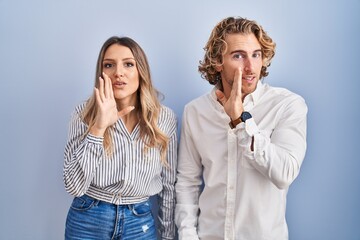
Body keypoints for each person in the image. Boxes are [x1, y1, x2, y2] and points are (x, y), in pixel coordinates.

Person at [175, 16, 307, 240]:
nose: (250, 66)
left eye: (256, 55)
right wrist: (188, 235)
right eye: (239, 56)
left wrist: (240, 120)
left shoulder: (287, 105)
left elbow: (284, 174)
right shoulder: (195, 112)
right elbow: (187, 182)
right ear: (218, 61)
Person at [63, 36, 177, 240]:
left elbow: (168, 186)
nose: (118, 73)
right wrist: (99, 127)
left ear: (141, 71)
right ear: (101, 73)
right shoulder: (83, 114)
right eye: (109, 65)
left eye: (128, 64)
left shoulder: (165, 118)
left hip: (139, 221)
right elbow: (73, 185)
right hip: (88, 219)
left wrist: (167, 235)